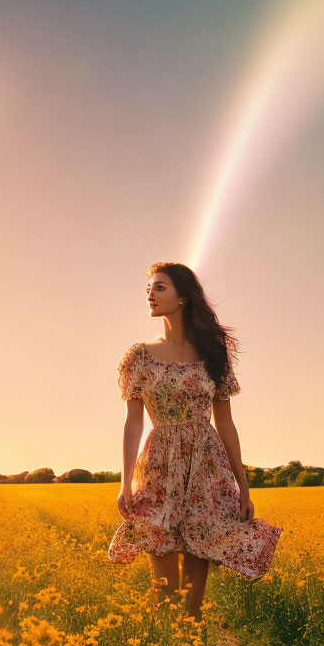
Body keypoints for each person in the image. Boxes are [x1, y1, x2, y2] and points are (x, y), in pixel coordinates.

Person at [108, 262, 282, 622]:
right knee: (163, 568)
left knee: (199, 561)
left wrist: (243, 485)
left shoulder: (212, 355)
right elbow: (133, 423)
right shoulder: (139, 356)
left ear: (183, 297)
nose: (150, 295)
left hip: (207, 463)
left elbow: (227, 423)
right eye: (149, 289)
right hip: (158, 463)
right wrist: (125, 483)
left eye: (160, 288)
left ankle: (192, 641)